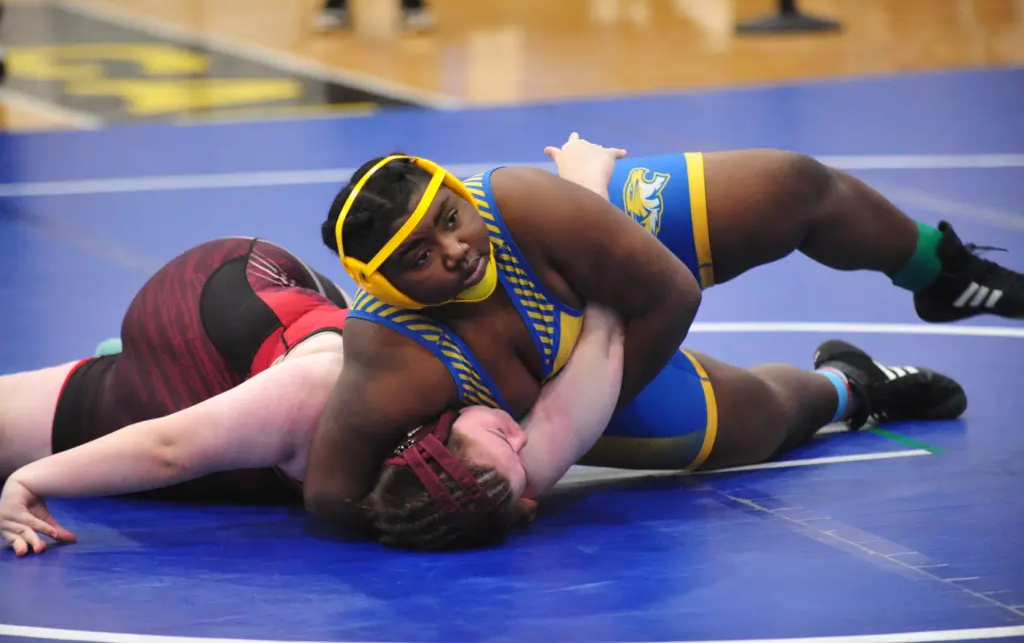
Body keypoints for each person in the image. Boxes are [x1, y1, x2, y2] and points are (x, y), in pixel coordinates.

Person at [305, 134, 1021, 550]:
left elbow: (671, 294)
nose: (456, 250)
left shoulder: (520, 204)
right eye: (420, 258)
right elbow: (332, 498)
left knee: (792, 186)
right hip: (578, 400)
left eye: (450, 219)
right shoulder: (392, 359)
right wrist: (443, 505)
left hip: (602, 282)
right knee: (765, 420)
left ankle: (944, 274)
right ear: (383, 284)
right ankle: (853, 385)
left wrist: (583, 399)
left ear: (460, 195)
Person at [0, 232, 633, 556]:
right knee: (161, 417)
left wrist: (29, 480)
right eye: (516, 445)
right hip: (218, 312)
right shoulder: (331, 387)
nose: (521, 432)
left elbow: (170, 451)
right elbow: (603, 343)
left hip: (243, 426)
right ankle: (128, 369)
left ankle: (118, 371)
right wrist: (593, 199)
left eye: (508, 443)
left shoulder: (475, 484)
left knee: (180, 443)